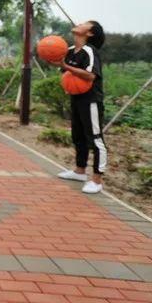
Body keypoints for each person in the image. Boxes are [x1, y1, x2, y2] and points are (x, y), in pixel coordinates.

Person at [52, 21, 107, 195]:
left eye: (85, 23)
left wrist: (65, 66)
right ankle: (79, 171)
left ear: (89, 33)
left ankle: (97, 181)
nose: (79, 23)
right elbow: (65, 70)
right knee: (78, 135)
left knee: (96, 139)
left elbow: (90, 75)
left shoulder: (89, 51)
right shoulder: (69, 50)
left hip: (91, 100)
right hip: (76, 98)